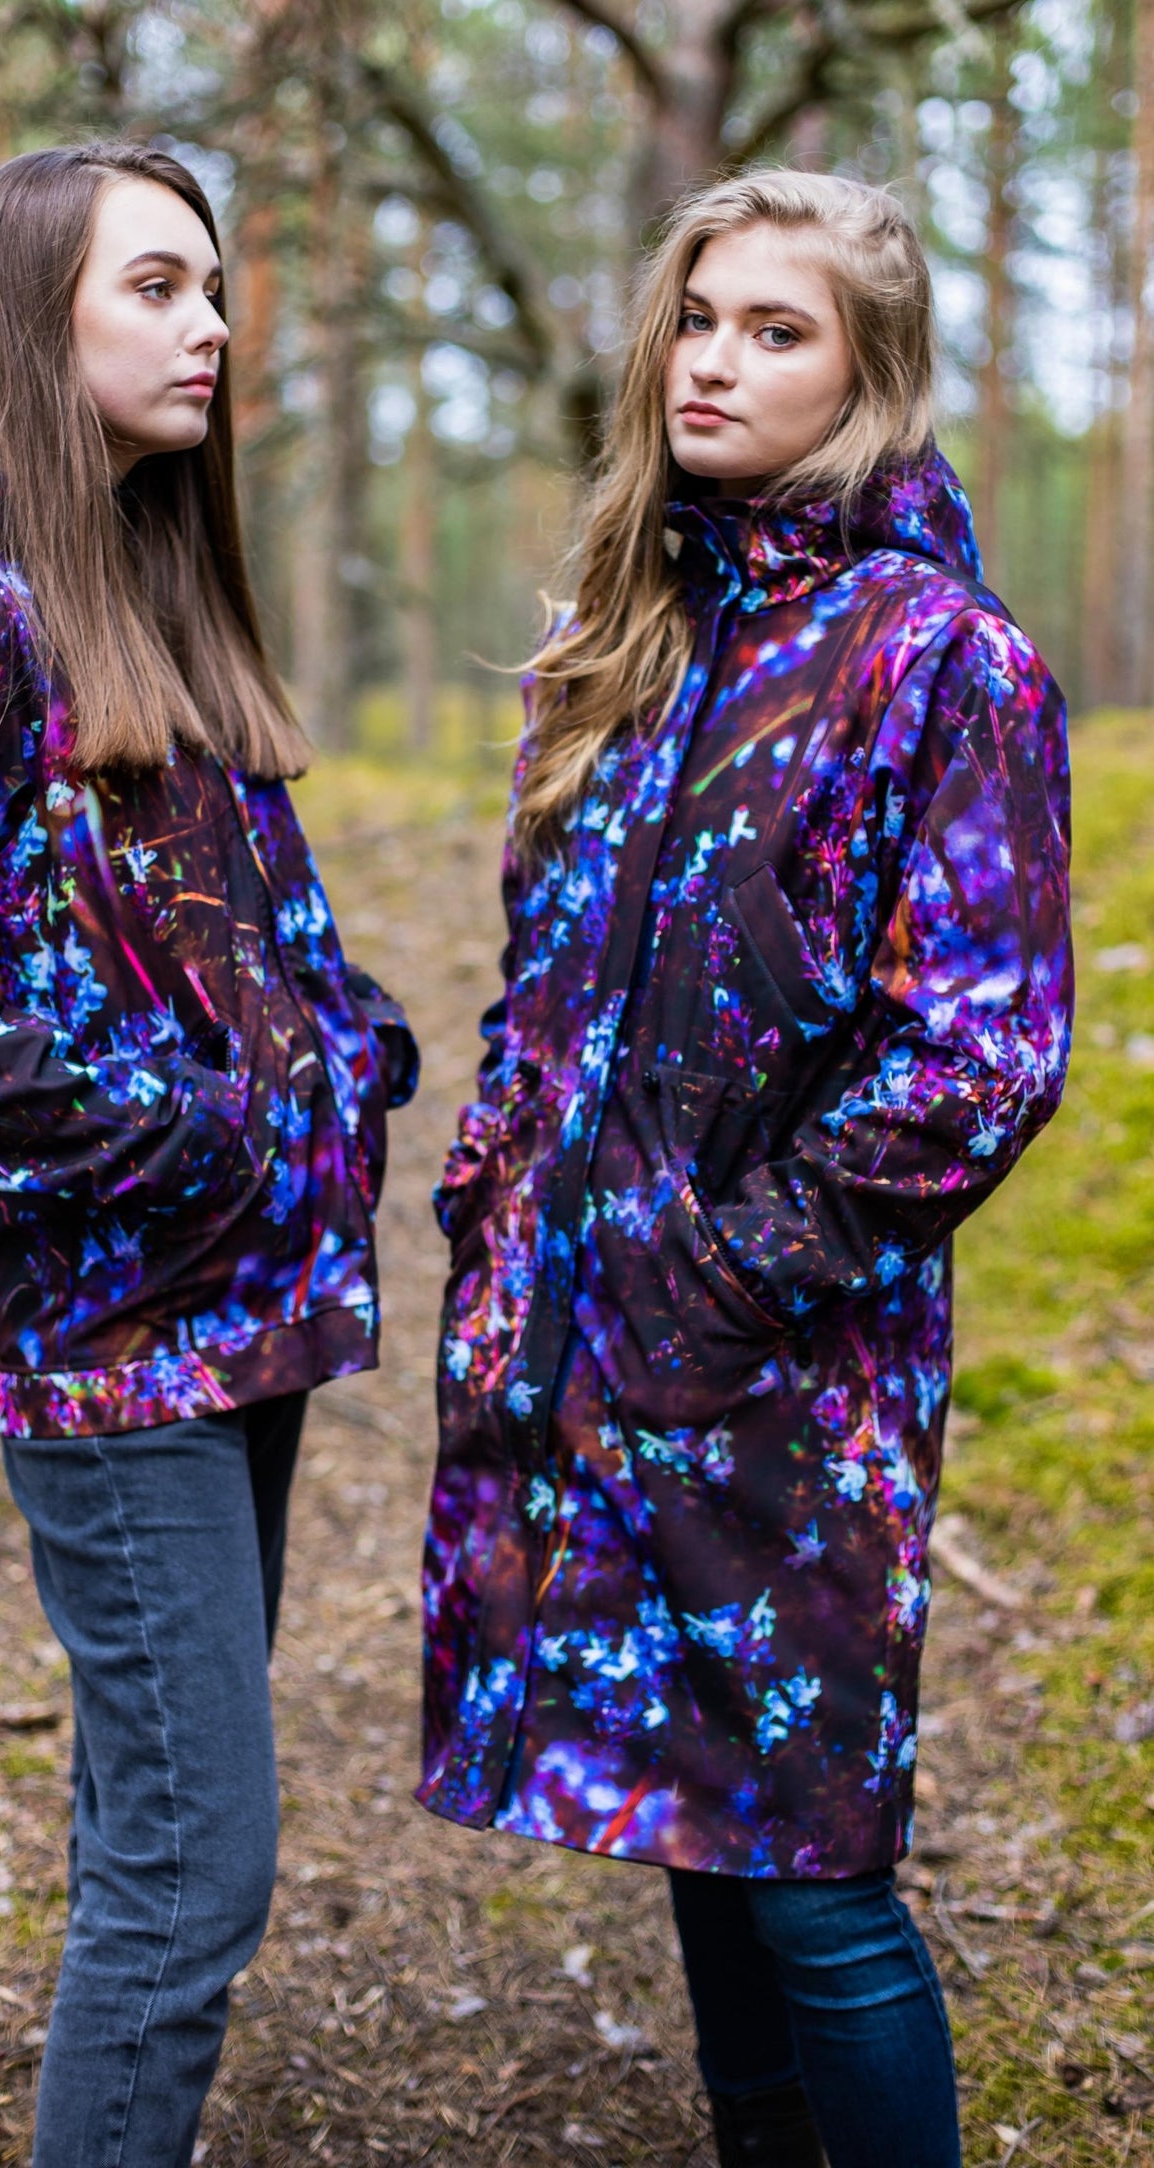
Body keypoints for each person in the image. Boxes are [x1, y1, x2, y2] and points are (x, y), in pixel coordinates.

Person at [421, 168, 1071, 2168]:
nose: (713, 360)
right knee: (686, 1821)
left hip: (788, 1364)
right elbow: (545, 984)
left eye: (777, 330)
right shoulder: (623, 635)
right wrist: (498, 1195)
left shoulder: (941, 660)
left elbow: (981, 1051)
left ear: (870, 378)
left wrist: (733, 1272)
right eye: (697, 317)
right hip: (579, 1348)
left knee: (814, 1871)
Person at [0, 142, 416, 2168]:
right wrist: (177, 1139)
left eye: (213, 285)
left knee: (154, 1825)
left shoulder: (133, 585)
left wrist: (344, 1048)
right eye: (155, 286)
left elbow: (226, 924)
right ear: (29, 320)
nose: (211, 323)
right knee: (197, 1873)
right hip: (119, 1338)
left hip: (242, 1318)